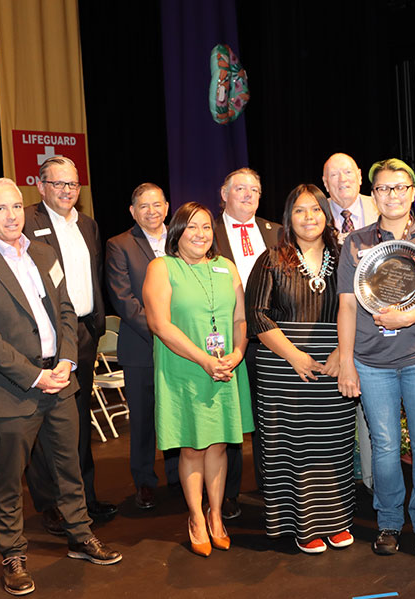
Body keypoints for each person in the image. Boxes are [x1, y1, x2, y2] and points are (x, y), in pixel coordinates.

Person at [0, 178, 121, 596]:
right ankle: (13, 554)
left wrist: (64, 361)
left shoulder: (44, 253)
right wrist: (33, 375)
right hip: (14, 389)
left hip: (60, 380)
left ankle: (81, 536)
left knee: (70, 467)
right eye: (0, 209)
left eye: (15, 207)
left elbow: (65, 311)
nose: (11, 216)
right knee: (10, 479)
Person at [337, 158, 415, 558]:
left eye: (400, 187)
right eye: (384, 189)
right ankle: (388, 522)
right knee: (384, 443)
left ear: (411, 190)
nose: (392, 195)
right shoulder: (355, 243)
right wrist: (347, 362)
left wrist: (409, 316)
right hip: (372, 360)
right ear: (374, 195)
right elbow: (347, 308)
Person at [245, 184, 355, 554]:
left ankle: (336, 521)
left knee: (333, 445)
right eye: (300, 211)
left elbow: (359, 309)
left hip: (334, 362)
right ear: (288, 218)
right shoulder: (272, 258)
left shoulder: (345, 258)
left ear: (327, 215)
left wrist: (343, 350)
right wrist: (294, 355)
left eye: (316, 210)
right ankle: (302, 526)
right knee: (290, 445)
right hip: (282, 365)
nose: (309, 217)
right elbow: (256, 314)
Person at [144, 202, 254, 556]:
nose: (201, 234)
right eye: (192, 227)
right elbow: (159, 324)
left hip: (225, 368)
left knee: (219, 443)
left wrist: (237, 354)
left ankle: (216, 515)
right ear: (177, 230)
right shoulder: (162, 267)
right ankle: (195, 517)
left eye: (206, 227)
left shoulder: (227, 268)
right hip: (185, 368)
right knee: (192, 446)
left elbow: (240, 319)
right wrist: (205, 360)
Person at [23, 156, 117, 533]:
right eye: (58, 184)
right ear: (41, 186)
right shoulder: (26, 223)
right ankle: (50, 504)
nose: (66, 190)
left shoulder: (88, 225)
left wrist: (93, 327)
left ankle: (84, 499)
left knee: (78, 422)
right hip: (47, 336)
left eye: (73, 184)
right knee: (46, 423)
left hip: (83, 334)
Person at [213, 167, 282, 519]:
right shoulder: (205, 232)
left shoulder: (277, 232)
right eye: (240, 188)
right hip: (227, 342)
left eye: (254, 189)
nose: (248, 195)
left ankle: (273, 487)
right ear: (223, 194)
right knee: (231, 422)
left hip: (271, 341)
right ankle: (229, 493)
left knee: (271, 419)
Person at [105, 183, 179, 510]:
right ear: (133, 211)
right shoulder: (119, 245)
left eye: (157, 204)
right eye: (143, 206)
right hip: (142, 347)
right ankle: (145, 482)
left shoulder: (183, 238)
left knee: (179, 414)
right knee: (144, 420)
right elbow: (124, 301)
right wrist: (163, 332)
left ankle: (179, 476)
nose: (152, 211)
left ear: (166, 206)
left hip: (184, 346)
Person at [322, 152, 379, 495]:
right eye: (333, 175)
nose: (342, 179)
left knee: (377, 418)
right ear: (325, 182)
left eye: (347, 171)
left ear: (360, 176)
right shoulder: (313, 214)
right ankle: (337, 490)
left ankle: (376, 487)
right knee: (336, 418)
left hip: (381, 330)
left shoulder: (385, 206)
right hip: (330, 327)